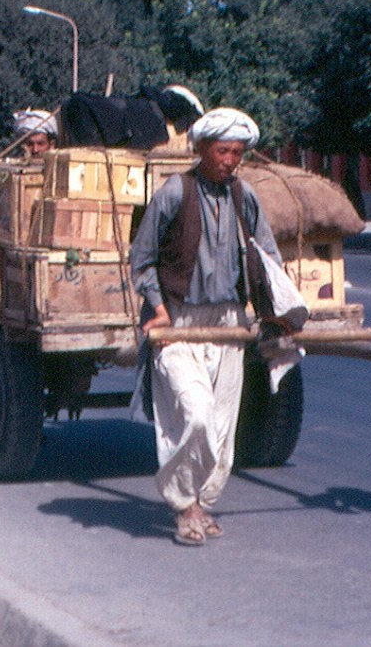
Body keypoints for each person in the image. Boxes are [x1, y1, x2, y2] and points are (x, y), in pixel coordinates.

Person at [130, 107, 281, 546]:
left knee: (220, 427)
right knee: (194, 415)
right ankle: (182, 504)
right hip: (178, 319)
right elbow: (142, 259)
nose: (230, 160)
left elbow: (267, 257)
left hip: (229, 320)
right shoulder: (175, 192)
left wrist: (276, 314)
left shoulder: (244, 196)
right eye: (223, 151)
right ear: (200, 149)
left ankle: (200, 502)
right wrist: (157, 307)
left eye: (237, 153)